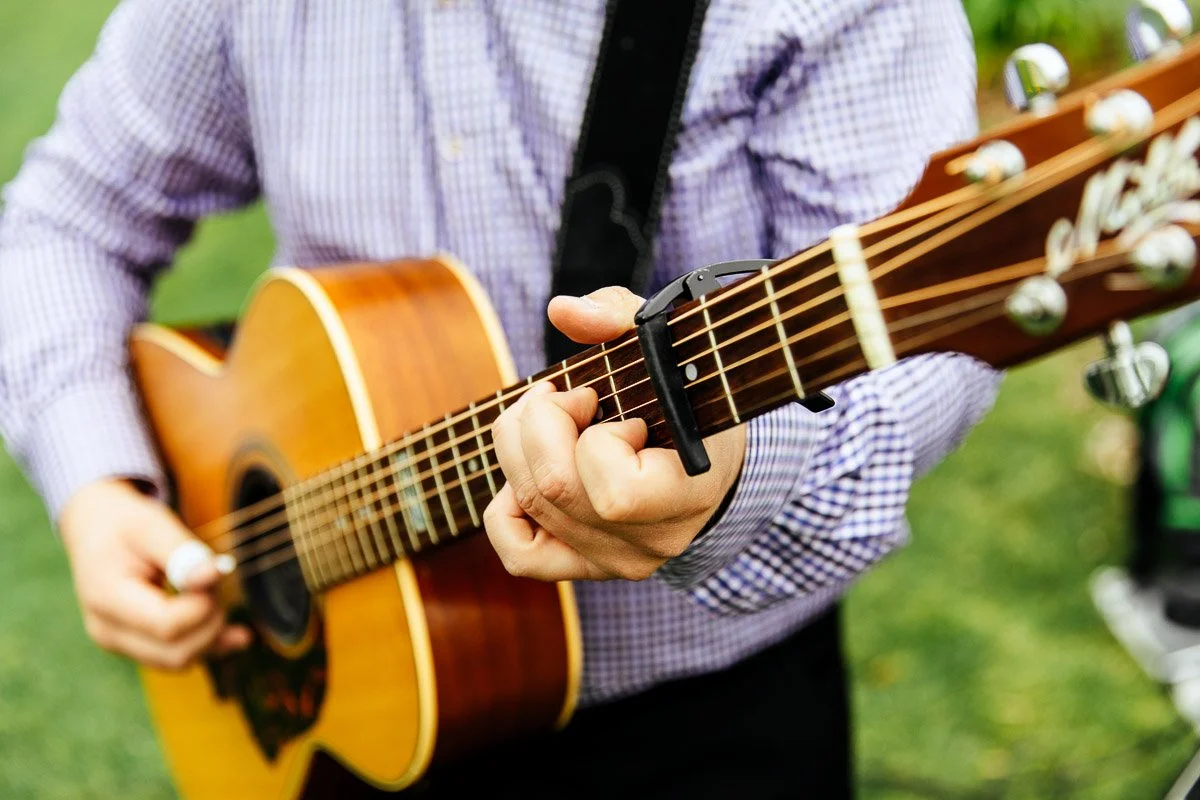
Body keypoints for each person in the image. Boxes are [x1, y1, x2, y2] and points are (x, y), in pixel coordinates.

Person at [0, 1, 999, 796]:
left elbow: (924, 340)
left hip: (696, 720)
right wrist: (96, 484)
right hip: (344, 703)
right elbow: (65, 218)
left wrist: (735, 475)